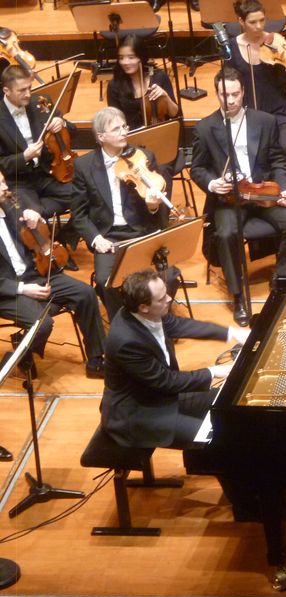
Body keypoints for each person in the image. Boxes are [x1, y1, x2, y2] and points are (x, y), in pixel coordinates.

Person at [190, 67, 286, 326]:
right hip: (229, 199)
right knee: (226, 234)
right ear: (217, 94)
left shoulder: (264, 121)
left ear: (243, 92)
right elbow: (198, 168)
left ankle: (280, 280)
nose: (230, 100)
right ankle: (238, 294)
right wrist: (212, 184)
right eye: (224, 95)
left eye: (235, 94)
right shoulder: (205, 128)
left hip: (262, 193)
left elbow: (277, 160)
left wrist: (284, 186)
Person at [100, 270, 248, 449]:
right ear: (144, 307)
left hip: (160, 395)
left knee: (231, 404)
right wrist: (214, 372)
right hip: (138, 413)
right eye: (162, 298)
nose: (169, 299)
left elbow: (179, 325)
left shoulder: (149, 313)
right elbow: (166, 381)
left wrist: (232, 333)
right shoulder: (126, 342)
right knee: (215, 439)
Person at [71, 107, 174, 321]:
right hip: (108, 237)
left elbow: (157, 213)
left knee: (170, 276)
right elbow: (79, 214)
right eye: (116, 129)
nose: (124, 132)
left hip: (142, 232)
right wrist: (95, 238)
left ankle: (157, 323)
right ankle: (124, 324)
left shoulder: (144, 157)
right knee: (105, 281)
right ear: (101, 137)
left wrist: (152, 206)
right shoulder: (83, 165)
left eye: (125, 126)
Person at [0, 170, 105, 378]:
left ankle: (96, 360)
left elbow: (37, 235)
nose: (5, 187)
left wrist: (37, 219)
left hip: (33, 274)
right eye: (0, 185)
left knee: (85, 293)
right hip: (7, 290)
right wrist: (22, 289)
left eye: (3, 181)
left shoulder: (11, 207)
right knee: (43, 323)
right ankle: (21, 353)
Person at [0, 65, 78, 268]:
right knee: (29, 216)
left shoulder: (40, 102)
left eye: (29, 87)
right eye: (22, 90)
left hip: (47, 174)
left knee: (84, 192)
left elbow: (73, 130)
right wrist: (24, 157)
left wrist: (62, 122)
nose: (28, 94)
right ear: (6, 90)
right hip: (18, 182)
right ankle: (51, 252)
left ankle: (66, 238)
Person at [228, 0, 286, 172]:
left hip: (278, 112)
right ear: (241, 21)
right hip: (248, 112)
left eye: (262, 20)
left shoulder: (275, 44)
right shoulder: (232, 48)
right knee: (250, 153)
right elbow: (228, 83)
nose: (259, 26)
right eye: (252, 22)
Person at [106, 34, 179, 132]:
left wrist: (165, 96)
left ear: (141, 57)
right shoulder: (114, 85)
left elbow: (175, 114)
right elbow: (114, 121)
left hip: (159, 133)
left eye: (131, 57)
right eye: (121, 58)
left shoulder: (159, 77)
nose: (125, 62)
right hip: (129, 136)